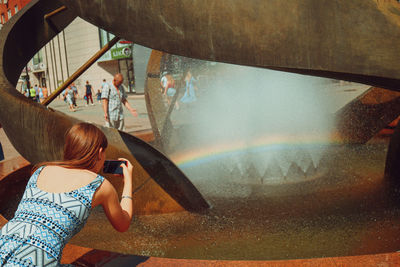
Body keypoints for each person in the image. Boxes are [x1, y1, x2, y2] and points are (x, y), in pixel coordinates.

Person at [0, 123, 134, 266]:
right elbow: (123, 224)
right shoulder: (98, 184)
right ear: (100, 152)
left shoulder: (40, 170)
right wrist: (128, 181)